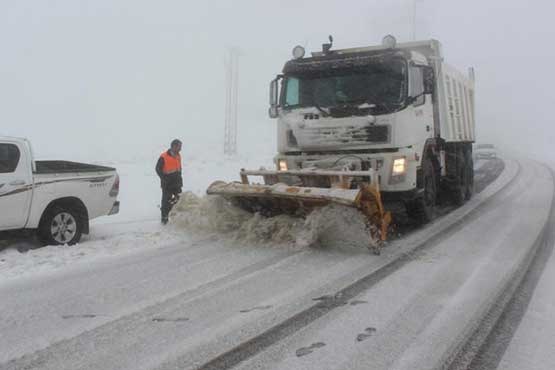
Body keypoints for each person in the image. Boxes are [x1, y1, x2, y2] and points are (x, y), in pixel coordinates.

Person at [156, 139, 183, 224]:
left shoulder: (178, 156)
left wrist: (180, 180)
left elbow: (178, 169)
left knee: (178, 200)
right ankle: (164, 220)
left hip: (177, 184)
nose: (180, 149)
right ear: (174, 146)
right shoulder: (164, 156)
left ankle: (175, 217)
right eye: (179, 147)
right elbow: (158, 169)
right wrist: (164, 179)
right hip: (167, 184)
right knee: (166, 202)